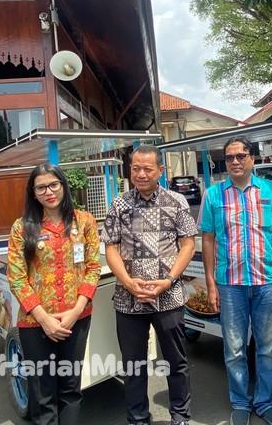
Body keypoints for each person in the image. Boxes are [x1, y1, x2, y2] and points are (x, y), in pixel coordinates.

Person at [102, 145, 196, 425]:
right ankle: (138, 418)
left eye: (147, 169)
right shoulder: (119, 203)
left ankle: (180, 415)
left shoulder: (176, 201)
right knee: (133, 366)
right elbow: (111, 247)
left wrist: (168, 280)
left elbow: (188, 244)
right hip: (128, 299)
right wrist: (128, 282)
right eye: (135, 169)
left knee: (176, 362)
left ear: (160, 171)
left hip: (168, 296)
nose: (140, 174)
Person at [199, 136, 272, 425]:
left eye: (241, 155)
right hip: (229, 284)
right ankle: (240, 402)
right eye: (229, 157)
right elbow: (208, 239)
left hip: (265, 282)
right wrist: (211, 284)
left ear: (252, 158)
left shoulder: (270, 190)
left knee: (267, 347)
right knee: (235, 348)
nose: (235, 161)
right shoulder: (213, 195)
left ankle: (265, 401)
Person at [7, 163, 101, 425]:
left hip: (77, 318)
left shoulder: (85, 221)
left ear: (63, 186)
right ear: (33, 193)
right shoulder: (22, 227)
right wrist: (44, 319)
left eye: (53, 185)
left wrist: (76, 311)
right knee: (42, 391)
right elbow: (16, 277)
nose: (48, 192)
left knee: (70, 387)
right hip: (35, 322)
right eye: (41, 188)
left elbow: (93, 267)